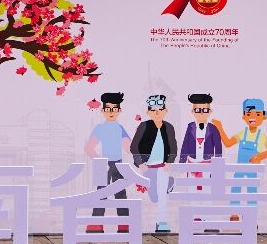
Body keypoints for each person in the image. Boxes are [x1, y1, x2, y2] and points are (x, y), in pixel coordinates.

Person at [84, 91, 131, 233]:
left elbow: (128, 146)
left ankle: (124, 224)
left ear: (119, 111)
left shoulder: (119, 128)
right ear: (103, 111)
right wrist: (100, 160)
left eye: (114, 109)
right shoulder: (100, 128)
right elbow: (88, 147)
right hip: (103, 164)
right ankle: (96, 224)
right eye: (108, 109)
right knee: (101, 193)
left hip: (118, 163)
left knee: (120, 193)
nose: (111, 112)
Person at [130, 93, 178, 233]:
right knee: (154, 196)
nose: (157, 113)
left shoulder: (169, 127)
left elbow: (173, 147)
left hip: (163, 167)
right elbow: (134, 146)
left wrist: (169, 162)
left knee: (162, 195)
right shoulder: (144, 126)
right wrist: (140, 163)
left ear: (165, 111)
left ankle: (161, 222)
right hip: (147, 167)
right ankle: (170, 183)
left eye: (160, 109)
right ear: (148, 112)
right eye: (153, 110)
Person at [221, 98, 267, 213]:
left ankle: (251, 214)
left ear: (263, 117)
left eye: (257, 114)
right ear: (244, 116)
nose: (252, 117)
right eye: (249, 114)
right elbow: (227, 143)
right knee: (236, 189)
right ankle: (234, 212)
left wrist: (259, 156)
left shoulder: (261, 136)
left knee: (252, 191)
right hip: (239, 168)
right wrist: (220, 128)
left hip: (252, 170)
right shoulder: (243, 133)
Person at [179, 93, 224, 163]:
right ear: (192, 111)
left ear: (210, 111)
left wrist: (218, 163)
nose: (201, 113)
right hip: (192, 161)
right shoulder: (190, 127)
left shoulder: (213, 128)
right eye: (198, 110)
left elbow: (218, 147)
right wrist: (182, 162)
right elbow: (185, 145)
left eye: (205, 110)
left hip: (208, 162)